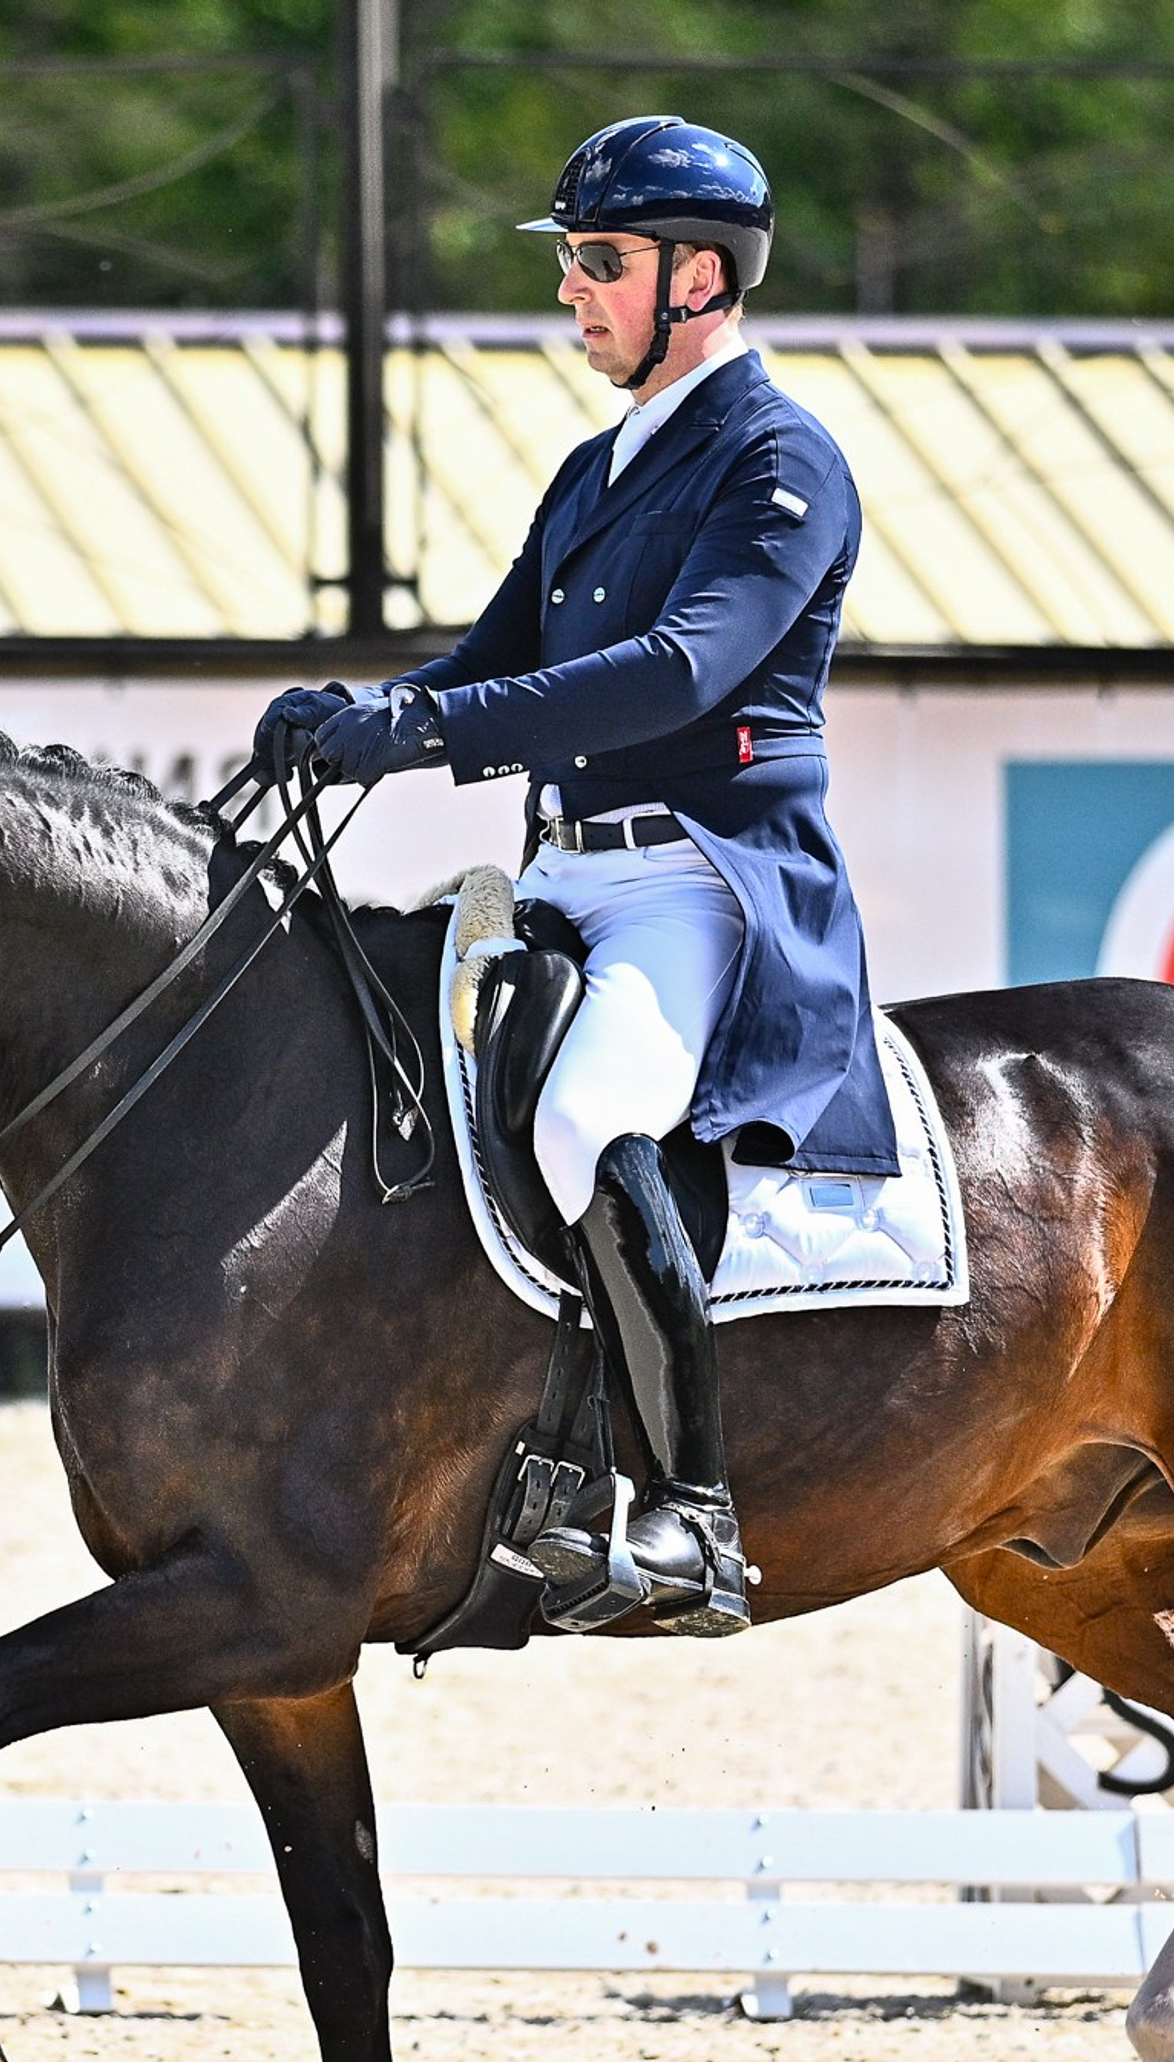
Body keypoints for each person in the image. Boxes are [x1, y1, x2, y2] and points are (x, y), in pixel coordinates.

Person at [252, 114, 896, 1637]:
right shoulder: (599, 466)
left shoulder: (780, 458)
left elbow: (683, 672)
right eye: (577, 264)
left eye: (601, 263)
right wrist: (359, 714)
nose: (573, 292)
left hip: (699, 879)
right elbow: (498, 660)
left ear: (701, 278)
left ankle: (691, 1513)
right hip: (559, 873)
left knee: (586, 1117)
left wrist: (416, 728)